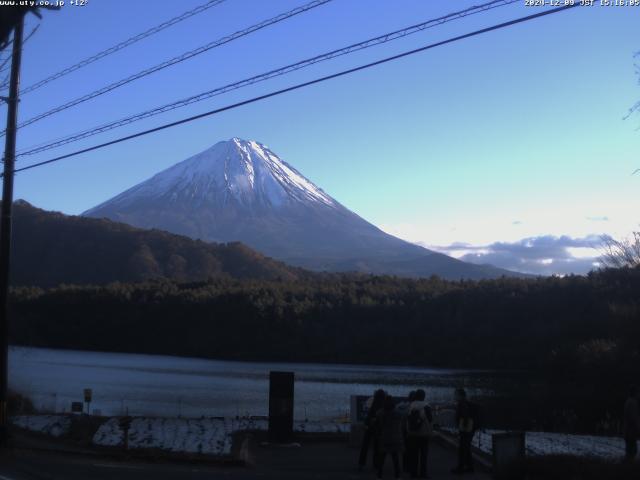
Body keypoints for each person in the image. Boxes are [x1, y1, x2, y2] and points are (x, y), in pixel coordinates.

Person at [451, 388, 479, 475]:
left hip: (466, 430)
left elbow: (465, 416)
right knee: (466, 448)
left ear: (460, 395)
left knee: (462, 449)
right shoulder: (466, 402)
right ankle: (470, 467)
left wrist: (462, 429)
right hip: (470, 429)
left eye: (456, 394)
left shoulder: (462, 403)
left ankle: (460, 468)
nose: (455, 396)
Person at [376, 395, 405, 479]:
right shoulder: (398, 413)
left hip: (384, 437)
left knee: (382, 457)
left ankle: (379, 475)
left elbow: (378, 425)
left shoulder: (380, 413)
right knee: (395, 458)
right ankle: (397, 476)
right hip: (396, 437)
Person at [406, 389, 433, 478]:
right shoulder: (427, 406)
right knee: (423, 455)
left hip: (412, 433)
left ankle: (413, 473)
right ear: (423, 396)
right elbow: (430, 420)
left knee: (414, 455)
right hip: (424, 434)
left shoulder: (411, 405)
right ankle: (423, 473)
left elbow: (407, 419)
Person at [359, 389, 386, 471]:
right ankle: (376, 464)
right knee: (377, 447)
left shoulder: (374, 403)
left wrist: (366, 424)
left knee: (365, 446)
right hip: (378, 428)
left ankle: (361, 463)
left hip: (370, 427)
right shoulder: (383, 404)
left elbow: (369, 415)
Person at [401, 391, 417, 474]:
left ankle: (405, 466)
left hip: (405, 431)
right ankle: (412, 466)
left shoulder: (403, 406)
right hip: (414, 431)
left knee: (406, 449)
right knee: (413, 450)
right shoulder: (417, 407)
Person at [623, 385, 640, 462]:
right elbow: (633, 418)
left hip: (628, 430)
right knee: (632, 451)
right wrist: (637, 428)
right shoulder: (632, 403)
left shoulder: (628, 402)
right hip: (631, 431)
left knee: (630, 450)